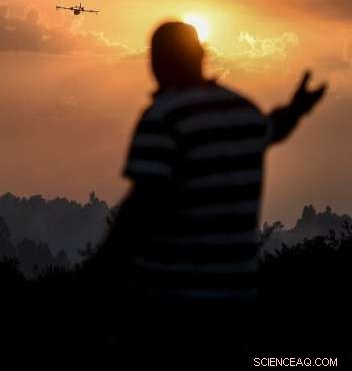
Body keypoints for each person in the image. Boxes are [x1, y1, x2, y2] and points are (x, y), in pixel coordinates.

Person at [96, 21, 326, 357]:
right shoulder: (243, 111)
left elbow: (140, 208)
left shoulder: (163, 118)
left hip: (172, 307)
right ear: (201, 55)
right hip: (237, 303)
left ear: (157, 63)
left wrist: (96, 276)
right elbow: (273, 128)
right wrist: (296, 110)